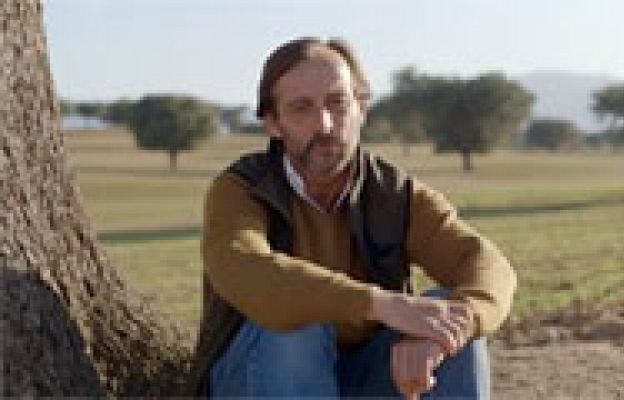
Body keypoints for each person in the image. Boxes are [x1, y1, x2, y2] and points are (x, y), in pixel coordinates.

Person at [189, 37, 516, 399]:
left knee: (448, 319)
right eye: (302, 108)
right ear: (273, 123)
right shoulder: (242, 189)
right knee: (295, 325)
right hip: (258, 375)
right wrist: (384, 305)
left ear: (362, 108)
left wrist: (448, 330)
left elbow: (486, 265)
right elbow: (245, 267)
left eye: (337, 103)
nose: (325, 124)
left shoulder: (396, 194)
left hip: (364, 375)